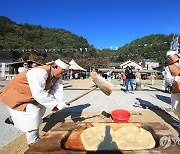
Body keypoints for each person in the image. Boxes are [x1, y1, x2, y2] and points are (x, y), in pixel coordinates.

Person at [0, 59, 70, 146]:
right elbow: (38, 93)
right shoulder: (39, 72)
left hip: (30, 97)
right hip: (16, 96)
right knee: (34, 115)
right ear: (55, 67)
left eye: (65, 72)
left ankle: (13, 119)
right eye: (63, 71)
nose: (64, 74)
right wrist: (55, 104)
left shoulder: (57, 76)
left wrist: (58, 104)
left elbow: (56, 90)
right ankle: (33, 141)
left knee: (42, 108)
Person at [164, 50, 180, 120]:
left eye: (170, 57)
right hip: (176, 89)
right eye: (168, 57)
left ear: (176, 55)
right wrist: (176, 78)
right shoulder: (168, 67)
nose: (169, 59)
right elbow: (167, 78)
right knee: (176, 108)